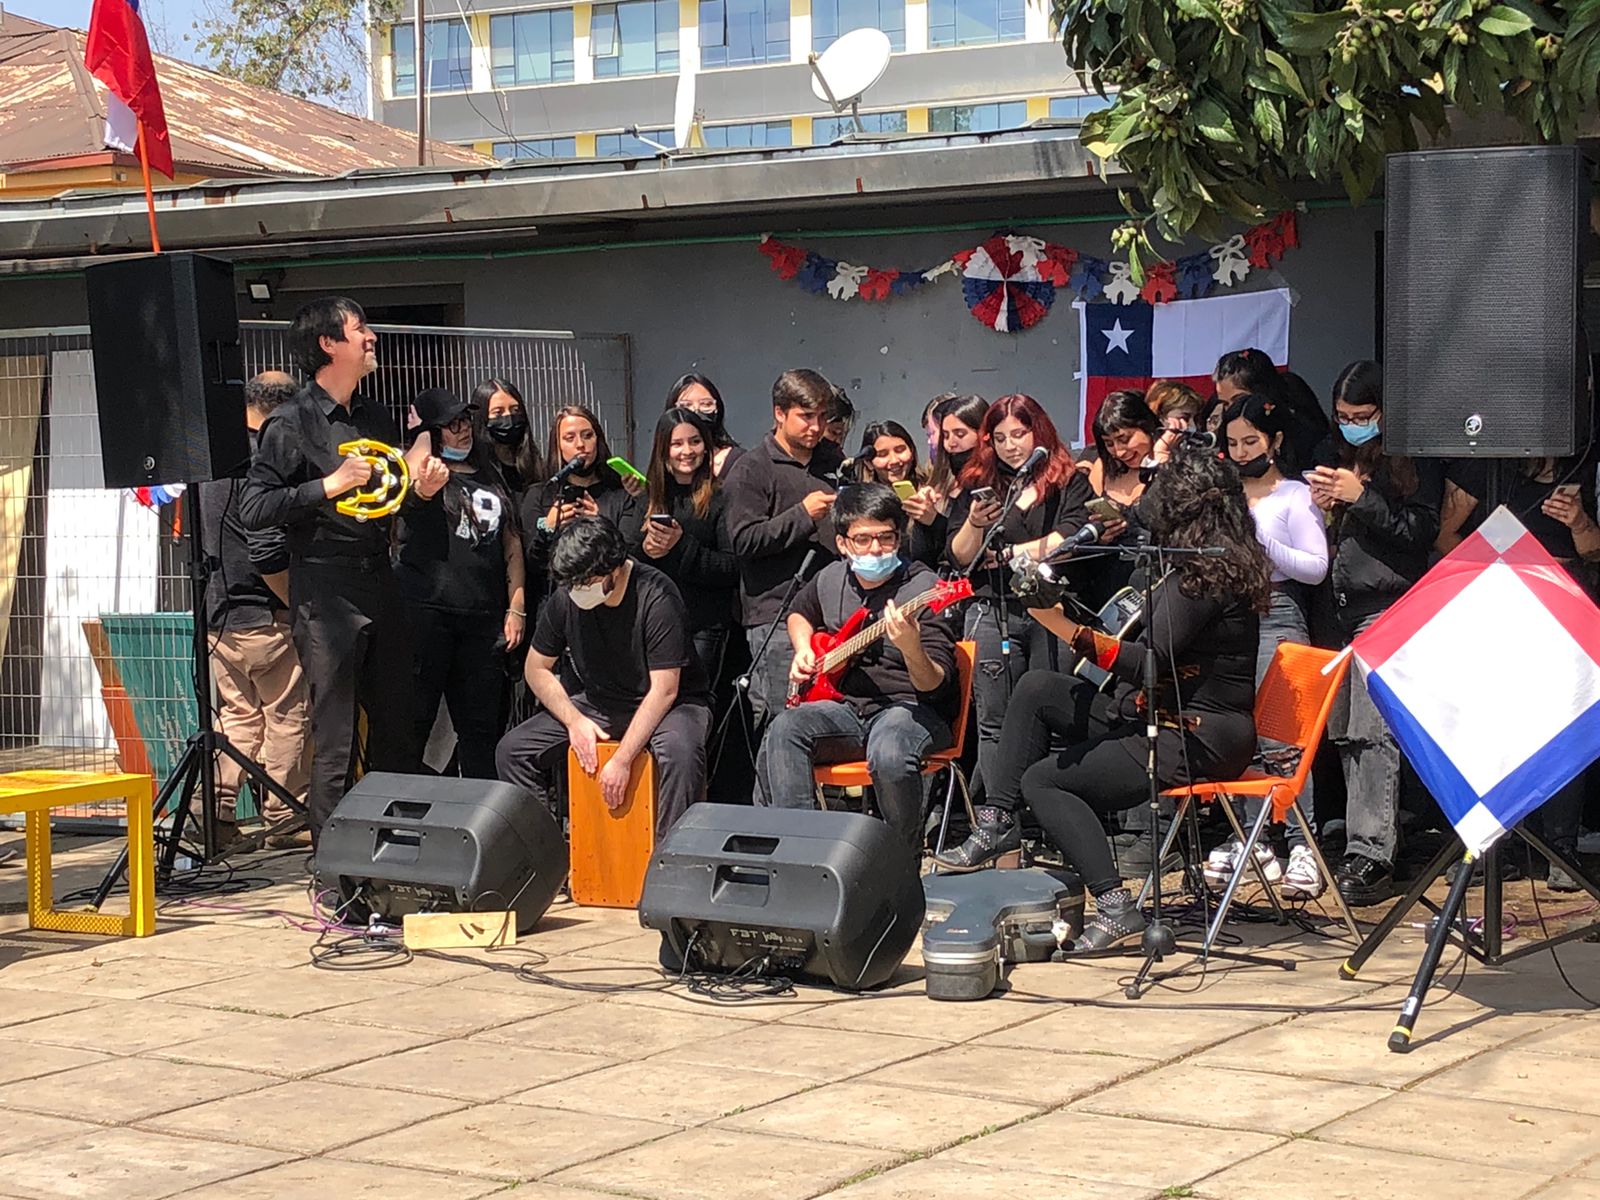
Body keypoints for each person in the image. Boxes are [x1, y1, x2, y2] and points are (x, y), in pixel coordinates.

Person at [940, 449, 1268, 952]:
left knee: (1044, 780)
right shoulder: (1189, 562)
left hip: (1197, 733)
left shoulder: (1204, 575)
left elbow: (1152, 662)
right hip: (1153, 710)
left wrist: (1067, 630)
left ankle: (1116, 908)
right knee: (1038, 688)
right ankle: (997, 821)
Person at [240, 297, 449, 845]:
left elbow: (391, 500)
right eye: (360, 329)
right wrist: (327, 486)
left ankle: (398, 848)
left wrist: (420, 492)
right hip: (323, 585)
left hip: (378, 574)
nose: (371, 337)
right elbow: (255, 508)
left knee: (397, 725)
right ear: (329, 344)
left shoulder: (375, 416)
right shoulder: (291, 422)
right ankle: (332, 863)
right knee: (333, 733)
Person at [1305, 361, 1445, 907]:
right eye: (1343, 417)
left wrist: (1361, 497)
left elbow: (1419, 533)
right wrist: (1330, 507)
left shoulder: (1414, 462)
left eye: (1362, 417)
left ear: (1387, 412)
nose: (1350, 426)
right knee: (1344, 730)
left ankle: (1373, 851)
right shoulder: (1345, 455)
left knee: (1373, 731)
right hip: (1340, 607)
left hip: (1388, 607)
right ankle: (1367, 837)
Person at [756, 484, 958, 848]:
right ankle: (800, 852)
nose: (876, 549)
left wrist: (911, 649)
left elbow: (936, 687)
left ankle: (899, 863)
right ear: (843, 544)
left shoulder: (925, 588)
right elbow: (799, 613)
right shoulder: (831, 578)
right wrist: (803, 649)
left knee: (890, 751)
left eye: (886, 537)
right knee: (785, 729)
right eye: (863, 540)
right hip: (847, 708)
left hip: (911, 709)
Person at [1436, 452, 1600, 890]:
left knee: (1561, 727)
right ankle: (1494, 846)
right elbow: (1443, 538)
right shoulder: (1484, 467)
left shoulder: (1583, 466)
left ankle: (1560, 848)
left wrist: (1579, 521)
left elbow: (1594, 551)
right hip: (1500, 599)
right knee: (1495, 728)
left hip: (1565, 602)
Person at [495, 516, 712, 835]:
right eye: (571, 585)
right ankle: (546, 856)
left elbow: (665, 689)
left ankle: (670, 861)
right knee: (513, 751)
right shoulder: (567, 596)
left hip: (673, 703)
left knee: (680, 752)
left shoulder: (657, 595)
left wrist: (623, 759)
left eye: (584, 584)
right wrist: (574, 721)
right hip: (599, 702)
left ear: (612, 570)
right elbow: (536, 668)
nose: (576, 593)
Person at [1206, 392, 1330, 899]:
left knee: (1283, 737)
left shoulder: (1294, 496)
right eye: (1232, 443)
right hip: (1227, 615)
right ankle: (1252, 839)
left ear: (1275, 441)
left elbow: (1315, 566)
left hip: (1277, 609)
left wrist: (1261, 543)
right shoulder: (1225, 496)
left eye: (1250, 441)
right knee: (1239, 733)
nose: (1240, 451)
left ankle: (1303, 843)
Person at [945, 394, 1095, 810]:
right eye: (1000, 437)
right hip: (994, 608)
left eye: (1020, 434)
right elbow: (959, 555)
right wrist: (975, 525)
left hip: (1051, 609)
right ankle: (1000, 819)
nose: (1011, 445)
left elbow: (1070, 536)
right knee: (995, 720)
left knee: (1058, 714)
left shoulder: (1068, 479)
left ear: (1039, 433)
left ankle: (1055, 814)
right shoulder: (977, 481)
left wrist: (1012, 553)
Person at [201, 370, 309, 850]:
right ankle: (285, 816)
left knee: (237, 717)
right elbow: (266, 551)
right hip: (267, 613)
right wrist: (297, 605)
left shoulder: (210, 462)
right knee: (287, 715)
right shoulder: (264, 463)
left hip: (219, 615)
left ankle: (217, 814)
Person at [395, 387, 526, 779]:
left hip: (483, 618)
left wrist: (516, 606)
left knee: (480, 729)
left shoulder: (490, 473)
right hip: (427, 614)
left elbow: (512, 544)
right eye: (452, 424)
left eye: (466, 421)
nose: (463, 430)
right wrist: (424, 468)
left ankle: (479, 818)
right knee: (415, 721)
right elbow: (408, 501)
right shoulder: (418, 469)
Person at [724, 369, 844, 727]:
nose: (816, 426)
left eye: (822, 417)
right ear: (780, 413)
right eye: (806, 417)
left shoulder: (833, 461)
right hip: (774, 617)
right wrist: (802, 515)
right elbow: (743, 540)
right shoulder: (752, 469)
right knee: (784, 725)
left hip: (833, 611)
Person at [631, 407, 738, 685]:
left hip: (704, 625)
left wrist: (681, 545)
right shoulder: (647, 498)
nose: (686, 451)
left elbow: (731, 567)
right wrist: (647, 551)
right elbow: (627, 561)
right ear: (663, 449)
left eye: (695, 441)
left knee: (695, 704)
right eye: (676, 444)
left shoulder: (721, 497)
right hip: (654, 622)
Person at [522, 405, 642, 586]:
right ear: (558, 446)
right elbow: (533, 565)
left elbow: (630, 557)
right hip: (557, 602)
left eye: (587, 436)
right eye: (570, 438)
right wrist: (548, 529)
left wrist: (600, 524)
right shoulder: (540, 494)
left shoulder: (619, 494)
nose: (580, 444)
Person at [1214, 349, 1328, 469]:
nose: (1232, 408)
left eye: (1250, 442)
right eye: (1225, 404)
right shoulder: (1222, 435)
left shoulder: (1307, 441)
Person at [854, 419, 943, 566]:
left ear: (912, 452)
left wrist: (933, 520)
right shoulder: (861, 502)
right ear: (869, 463)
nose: (894, 460)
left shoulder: (932, 490)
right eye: (882, 454)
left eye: (900, 450)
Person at [666, 373, 744, 478]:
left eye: (706, 404)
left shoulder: (737, 462)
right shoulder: (664, 466)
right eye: (686, 405)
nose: (696, 411)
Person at [473, 378, 541, 495]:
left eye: (515, 410)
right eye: (498, 412)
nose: (509, 417)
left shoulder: (537, 467)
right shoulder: (474, 469)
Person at [927, 394, 988, 503]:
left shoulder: (988, 477)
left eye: (960, 434)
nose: (950, 443)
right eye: (945, 436)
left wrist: (972, 521)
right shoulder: (948, 470)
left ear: (981, 432)